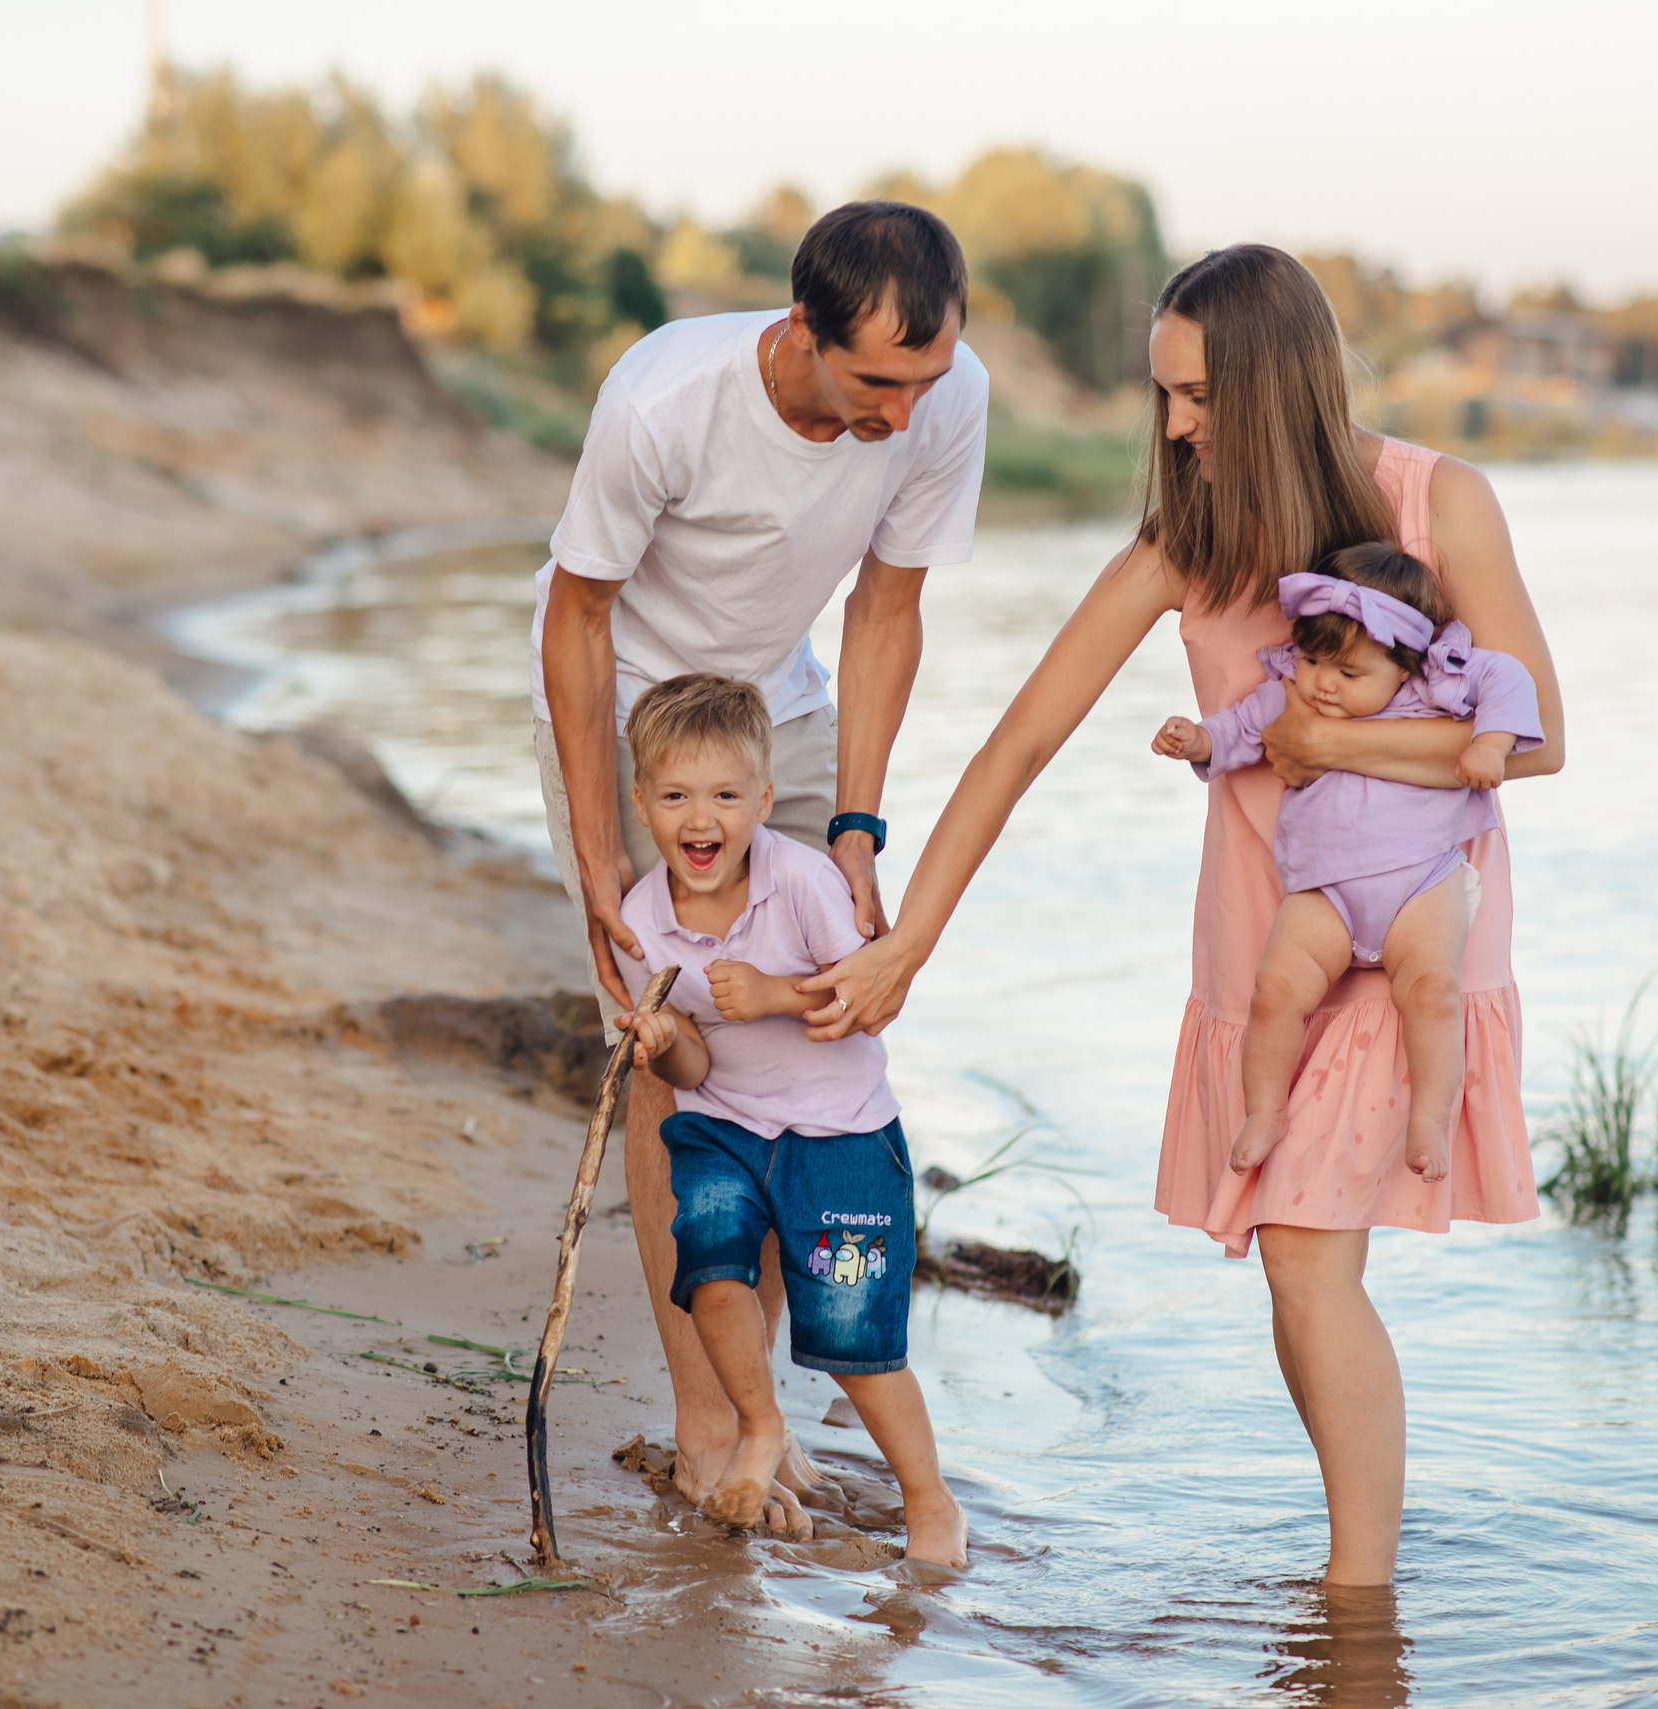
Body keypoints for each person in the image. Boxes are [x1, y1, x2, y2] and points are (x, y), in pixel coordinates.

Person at [802, 244, 1567, 1585]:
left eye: (1198, 395)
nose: (1172, 426)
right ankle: (1353, 1598)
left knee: (1307, 1266)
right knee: (1295, 1265)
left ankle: (1357, 1608)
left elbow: (1540, 734)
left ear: (1274, 385)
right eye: (1162, 394)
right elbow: (1018, 742)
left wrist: (1333, 745)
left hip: (1411, 930)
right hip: (1267, 938)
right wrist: (909, 937)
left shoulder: (1439, 500)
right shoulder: (1186, 545)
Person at [532, 201, 988, 1529]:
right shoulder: (664, 401)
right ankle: (708, 1419)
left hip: (780, 713)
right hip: (631, 710)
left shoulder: (943, 398)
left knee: (808, 1029)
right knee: (671, 1053)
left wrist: (857, 825)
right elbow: (577, 613)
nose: (905, 411)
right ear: (802, 331)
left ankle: (759, 1413)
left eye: (926, 378)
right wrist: (602, 842)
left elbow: (888, 607)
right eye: (879, 382)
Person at [606, 673, 966, 1566]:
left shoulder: (804, 882)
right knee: (711, 1265)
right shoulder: (645, 918)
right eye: (677, 796)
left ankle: (932, 1504)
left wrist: (770, 995)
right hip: (726, 1126)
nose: (702, 818)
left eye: (726, 796)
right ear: (641, 804)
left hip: (840, 1135)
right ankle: (759, 1422)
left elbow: (867, 1002)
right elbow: (695, 1065)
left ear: (764, 800)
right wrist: (665, 1043)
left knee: (853, 1336)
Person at [1152, 543, 1544, 1183]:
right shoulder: (1292, 696)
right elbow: (1238, 729)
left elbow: (1513, 680)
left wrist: (1492, 745)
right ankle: (1265, 1111)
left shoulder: (1437, 687)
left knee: (1432, 994)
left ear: (1403, 665)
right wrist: (1197, 739)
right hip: (1325, 891)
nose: (1323, 683)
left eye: (1348, 672)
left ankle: (1429, 1121)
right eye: (1311, 660)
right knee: (1276, 991)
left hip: (1422, 882)